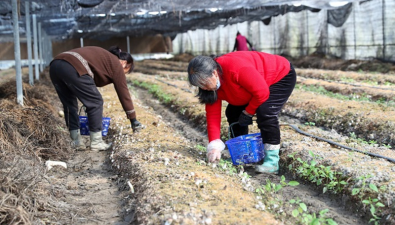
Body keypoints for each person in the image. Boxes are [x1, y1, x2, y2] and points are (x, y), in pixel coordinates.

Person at [187, 51, 296, 174]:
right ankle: (242, 156)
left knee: (265, 112)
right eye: (199, 85)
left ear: (214, 73)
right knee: (233, 112)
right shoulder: (210, 88)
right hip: (250, 86)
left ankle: (272, 161)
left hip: (279, 76)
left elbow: (261, 93)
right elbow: (212, 115)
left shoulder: (235, 68)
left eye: (204, 83)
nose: (203, 88)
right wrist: (214, 147)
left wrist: (248, 112)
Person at [49, 46, 143, 151]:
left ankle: (76, 141)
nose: (123, 74)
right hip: (73, 66)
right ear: (125, 63)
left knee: (69, 103)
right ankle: (96, 142)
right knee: (95, 101)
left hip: (55, 65)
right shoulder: (116, 64)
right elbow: (123, 92)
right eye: (126, 71)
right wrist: (133, 119)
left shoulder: (103, 58)